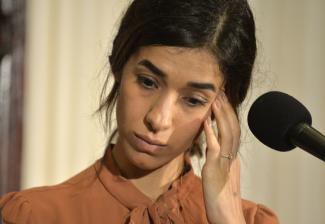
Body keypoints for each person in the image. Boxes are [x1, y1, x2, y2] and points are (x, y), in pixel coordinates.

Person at [0, 0, 279, 223]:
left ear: (224, 109)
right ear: (118, 63)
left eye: (193, 100)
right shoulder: (33, 216)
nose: (158, 119)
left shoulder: (251, 221)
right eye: (147, 82)